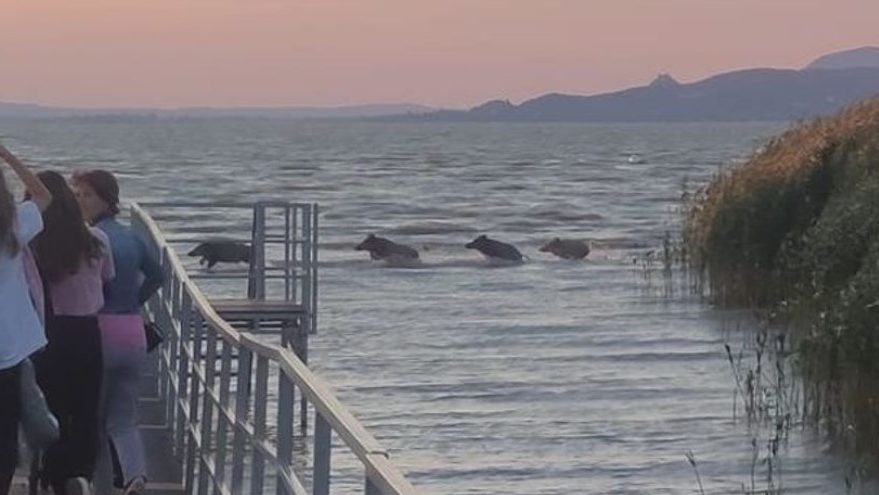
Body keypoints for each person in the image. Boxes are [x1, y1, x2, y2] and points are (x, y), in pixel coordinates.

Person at [72, 170, 162, 495]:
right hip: (133, 332)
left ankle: (101, 487)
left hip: (100, 332)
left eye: (87, 195)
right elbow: (158, 275)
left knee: (94, 418)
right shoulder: (132, 237)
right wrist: (135, 300)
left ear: (106, 200)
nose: (80, 201)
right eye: (77, 194)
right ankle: (135, 475)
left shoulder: (91, 239)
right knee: (124, 417)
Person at [30, 170, 114, 495]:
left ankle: (54, 474)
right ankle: (81, 473)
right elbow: (107, 279)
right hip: (87, 331)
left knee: (51, 406)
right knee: (86, 406)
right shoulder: (97, 239)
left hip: (49, 332)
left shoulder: (35, 244)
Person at [0, 142, 53, 495]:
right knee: (5, 431)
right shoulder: (15, 226)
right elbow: (43, 195)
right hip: (10, 347)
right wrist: (7, 156)